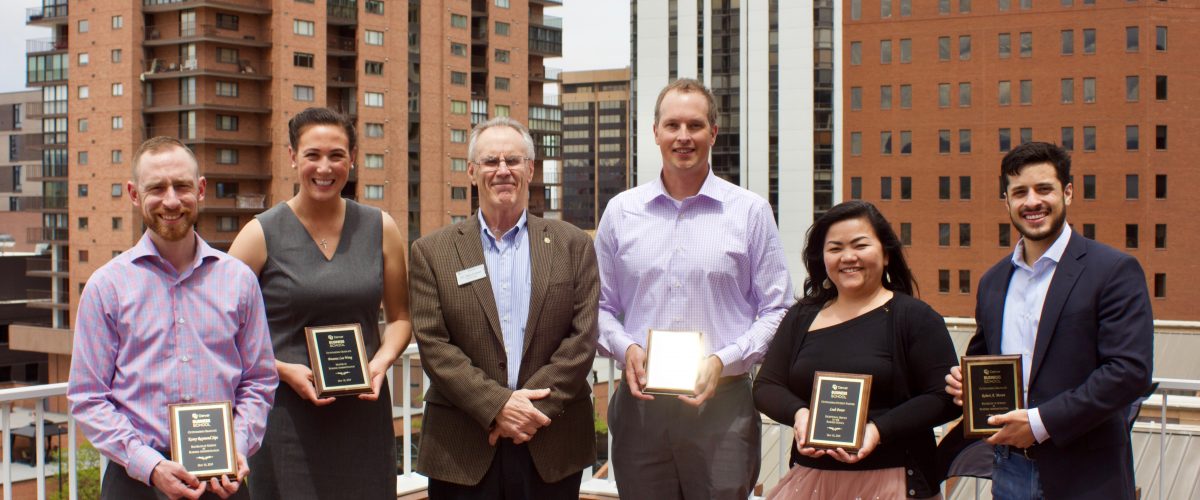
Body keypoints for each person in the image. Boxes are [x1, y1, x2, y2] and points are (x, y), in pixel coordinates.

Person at [594, 78, 795, 499]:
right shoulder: (621, 211)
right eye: (672, 125)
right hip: (641, 407)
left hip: (722, 407)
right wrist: (626, 348)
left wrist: (725, 358)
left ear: (713, 133)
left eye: (695, 125)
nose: (683, 136)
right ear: (655, 133)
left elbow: (778, 310)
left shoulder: (750, 211)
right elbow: (598, 307)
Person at [68, 136, 278, 500]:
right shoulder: (106, 287)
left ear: (200, 190)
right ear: (134, 195)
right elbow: (88, 397)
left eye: (181, 186)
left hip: (222, 480)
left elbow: (259, 380)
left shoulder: (239, 280)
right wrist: (148, 464)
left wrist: (238, 446)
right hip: (137, 483)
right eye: (156, 188)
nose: (170, 200)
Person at [944, 141, 1154, 499]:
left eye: (1044, 189)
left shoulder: (1113, 270)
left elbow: (1129, 372)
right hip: (1008, 469)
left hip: (1085, 476)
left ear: (1068, 193)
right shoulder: (993, 281)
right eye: (1019, 192)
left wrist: (1040, 424)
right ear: (1006, 202)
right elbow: (985, 363)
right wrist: (965, 385)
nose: (1032, 202)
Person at [409, 116, 599, 499]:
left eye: (513, 161)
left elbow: (583, 336)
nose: (502, 171)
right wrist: (498, 405)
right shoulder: (432, 251)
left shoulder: (573, 244)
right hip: (463, 445)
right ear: (472, 171)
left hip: (551, 437)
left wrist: (526, 411)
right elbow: (434, 345)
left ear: (530, 169)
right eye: (491, 161)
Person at [228, 107, 412, 499]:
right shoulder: (259, 234)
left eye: (336, 155)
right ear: (293, 157)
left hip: (363, 413)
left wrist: (380, 363)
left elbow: (400, 318)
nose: (324, 167)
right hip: (286, 417)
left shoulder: (382, 228)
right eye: (312, 155)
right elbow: (220, 330)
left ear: (352, 159)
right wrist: (280, 369)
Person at [753, 201, 959, 499]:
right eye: (835, 248)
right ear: (822, 258)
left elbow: (944, 397)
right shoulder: (801, 316)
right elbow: (766, 386)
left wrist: (877, 430)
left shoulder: (914, 317)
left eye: (860, 245)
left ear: (886, 254)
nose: (848, 257)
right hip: (811, 480)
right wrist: (800, 415)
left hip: (894, 481)